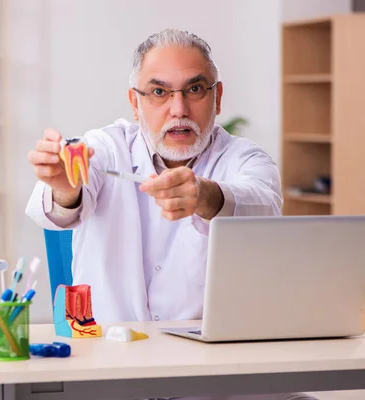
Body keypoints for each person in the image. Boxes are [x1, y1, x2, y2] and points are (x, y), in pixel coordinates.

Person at [24, 29, 317, 400]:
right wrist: (66, 187)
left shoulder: (246, 159)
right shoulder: (106, 148)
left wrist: (208, 196)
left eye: (194, 90)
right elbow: (64, 202)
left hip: (216, 375)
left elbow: (262, 204)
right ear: (135, 102)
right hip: (111, 371)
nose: (178, 110)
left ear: (218, 96)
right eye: (159, 92)